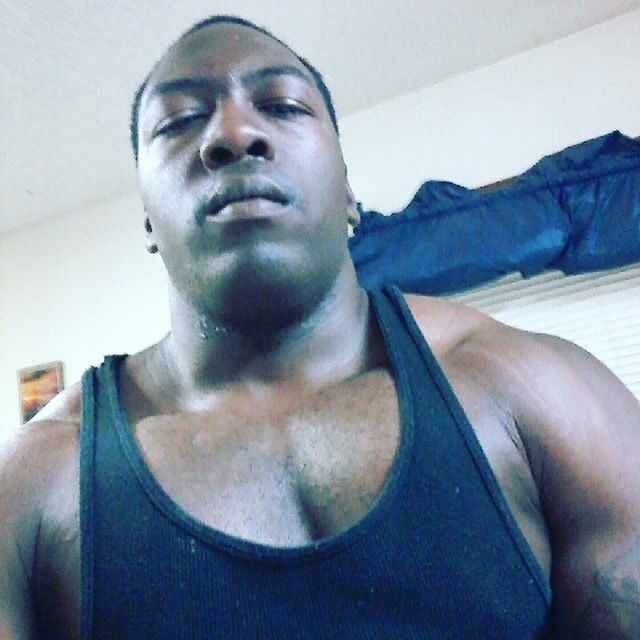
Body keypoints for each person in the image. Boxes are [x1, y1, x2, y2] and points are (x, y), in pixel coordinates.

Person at [1, 15, 639, 640]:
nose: (234, 132)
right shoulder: (32, 485)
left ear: (349, 192)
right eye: (179, 120)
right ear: (146, 217)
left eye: (282, 105)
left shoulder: (545, 392)